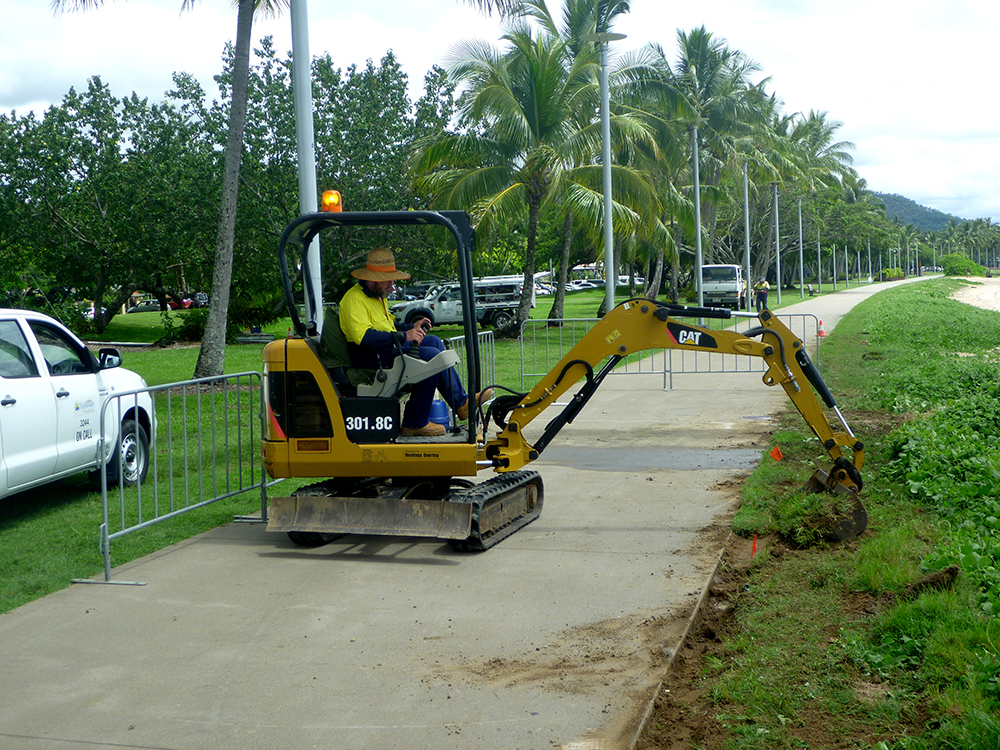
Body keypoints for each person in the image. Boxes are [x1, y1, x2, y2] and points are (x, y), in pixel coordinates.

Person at [339, 247, 492, 437]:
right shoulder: (354, 300)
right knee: (431, 358)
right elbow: (364, 338)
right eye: (388, 279)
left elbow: (391, 327)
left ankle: (461, 404)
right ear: (372, 278)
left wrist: (412, 327)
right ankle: (414, 422)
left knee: (434, 342)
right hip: (370, 358)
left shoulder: (377, 297)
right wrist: (405, 337)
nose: (392, 284)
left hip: (386, 350)